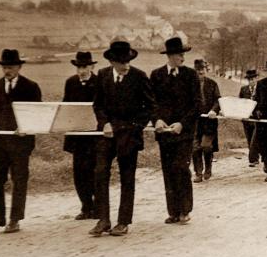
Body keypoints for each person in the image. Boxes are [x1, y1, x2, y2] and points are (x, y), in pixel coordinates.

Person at [90, 41, 156, 237]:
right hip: (107, 134)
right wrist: (104, 123)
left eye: (128, 61)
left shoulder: (139, 76)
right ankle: (103, 219)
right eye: (121, 62)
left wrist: (134, 127)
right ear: (112, 61)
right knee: (100, 172)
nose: (126, 65)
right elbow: (98, 105)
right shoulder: (102, 76)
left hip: (130, 135)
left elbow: (150, 107)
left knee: (127, 178)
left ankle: (123, 221)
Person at [0, 49, 42, 233]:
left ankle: (15, 219)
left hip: (21, 142)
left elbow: (36, 113)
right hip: (0, 141)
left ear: (19, 67)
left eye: (10, 67)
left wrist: (25, 126)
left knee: (19, 180)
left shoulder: (31, 87)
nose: (7, 70)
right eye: (4, 67)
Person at [150, 37, 202, 225]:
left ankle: (185, 210)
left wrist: (182, 123)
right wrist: (157, 120)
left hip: (184, 132)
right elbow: (151, 102)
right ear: (171, 56)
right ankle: (173, 211)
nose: (182, 57)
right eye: (180, 54)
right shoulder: (156, 75)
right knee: (168, 170)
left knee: (181, 167)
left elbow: (197, 104)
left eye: (183, 54)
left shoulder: (190, 75)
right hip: (164, 132)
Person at [62, 51, 98, 220]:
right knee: (79, 172)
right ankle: (86, 207)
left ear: (92, 67)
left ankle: (97, 207)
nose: (82, 70)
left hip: (94, 135)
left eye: (85, 67)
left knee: (94, 171)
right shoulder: (70, 83)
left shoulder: (99, 83)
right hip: (77, 136)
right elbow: (66, 106)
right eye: (79, 67)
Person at [193, 59, 221, 181]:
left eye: (202, 69)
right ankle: (198, 173)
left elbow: (218, 100)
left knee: (206, 146)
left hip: (209, 121)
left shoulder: (212, 84)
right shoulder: (190, 85)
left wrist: (214, 110)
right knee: (195, 148)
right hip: (194, 122)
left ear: (206, 70)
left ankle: (208, 169)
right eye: (198, 70)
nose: (200, 72)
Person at [239, 69, 260, 167]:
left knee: (255, 139)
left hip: (257, 118)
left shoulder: (261, 88)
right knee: (249, 137)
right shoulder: (244, 89)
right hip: (246, 118)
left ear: (256, 78)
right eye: (249, 79)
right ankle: (255, 158)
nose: (251, 81)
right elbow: (240, 102)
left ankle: (253, 159)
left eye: (253, 78)